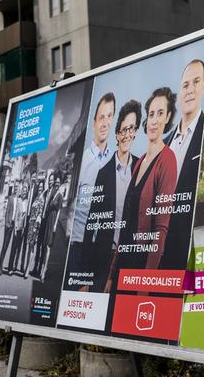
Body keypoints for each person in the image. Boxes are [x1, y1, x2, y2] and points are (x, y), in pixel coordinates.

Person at [107, 87, 178, 291]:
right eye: (151, 114)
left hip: (141, 269)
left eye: (160, 114)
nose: (154, 120)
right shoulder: (139, 163)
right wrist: (112, 274)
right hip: (123, 266)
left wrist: (146, 282)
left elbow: (160, 229)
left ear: (169, 117)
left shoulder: (168, 159)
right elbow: (126, 223)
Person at [82, 100, 141, 291]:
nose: (127, 135)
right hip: (104, 258)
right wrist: (84, 278)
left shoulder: (141, 167)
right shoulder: (103, 173)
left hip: (130, 257)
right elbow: (91, 224)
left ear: (136, 132)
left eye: (131, 129)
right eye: (123, 130)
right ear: (117, 134)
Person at [161, 59, 204, 270]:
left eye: (196, 82)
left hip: (191, 246)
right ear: (179, 92)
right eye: (185, 85)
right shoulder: (166, 142)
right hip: (161, 247)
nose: (190, 90)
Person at [71, 93, 117, 243]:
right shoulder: (82, 162)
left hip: (105, 248)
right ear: (94, 122)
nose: (105, 123)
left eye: (109, 116)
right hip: (78, 245)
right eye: (101, 117)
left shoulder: (116, 160)